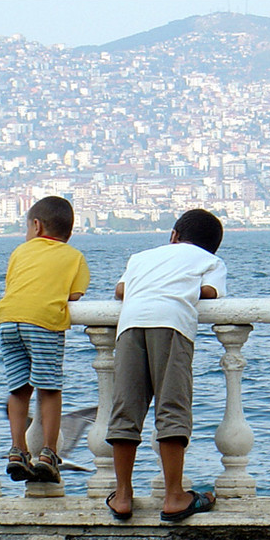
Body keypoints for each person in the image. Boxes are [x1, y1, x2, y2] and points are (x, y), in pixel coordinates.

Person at [105, 209, 227, 522]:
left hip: (131, 325)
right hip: (172, 324)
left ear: (173, 235)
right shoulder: (210, 261)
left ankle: (121, 495)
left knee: (126, 407)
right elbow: (211, 293)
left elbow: (120, 291)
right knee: (172, 406)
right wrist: (182, 289)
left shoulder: (141, 257)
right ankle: (174, 496)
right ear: (212, 246)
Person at [0, 196, 91, 485]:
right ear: (69, 232)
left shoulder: (20, 252)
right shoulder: (73, 257)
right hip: (43, 322)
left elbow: (13, 284)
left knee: (18, 388)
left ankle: (17, 451)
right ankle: (48, 453)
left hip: (9, 320)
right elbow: (74, 295)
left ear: (36, 226)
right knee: (48, 388)